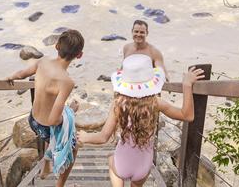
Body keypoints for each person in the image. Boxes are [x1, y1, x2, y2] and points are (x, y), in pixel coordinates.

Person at [77, 65, 205, 187]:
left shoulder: (119, 104)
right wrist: (187, 85)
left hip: (122, 165)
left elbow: (103, 137)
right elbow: (187, 116)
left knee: (111, 159)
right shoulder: (155, 103)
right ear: (149, 83)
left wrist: (85, 136)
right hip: (143, 168)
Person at [5, 30, 85, 186]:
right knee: (73, 146)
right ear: (79, 55)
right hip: (46, 126)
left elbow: (21, 74)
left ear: (56, 46)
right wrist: (70, 112)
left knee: (51, 134)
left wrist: (10, 77)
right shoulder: (66, 82)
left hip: (33, 120)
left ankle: (46, 166)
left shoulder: (42, 62)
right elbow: (55, 120)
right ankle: (59, 184)